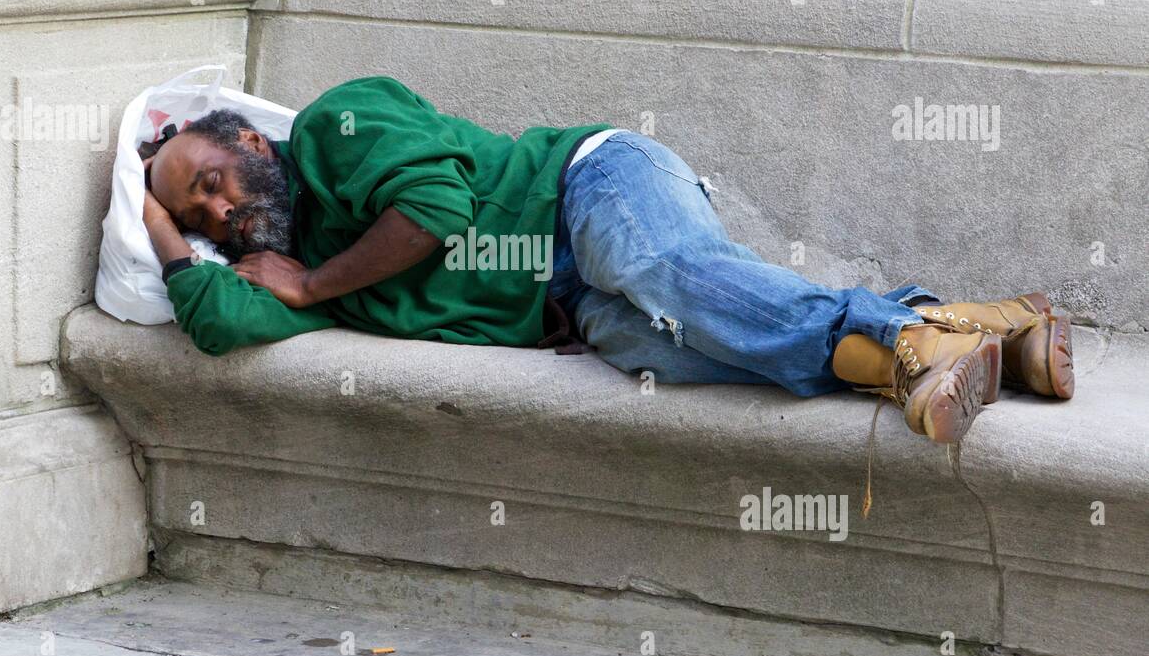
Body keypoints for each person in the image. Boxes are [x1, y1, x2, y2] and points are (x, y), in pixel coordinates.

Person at [139, 76, 1074, 445]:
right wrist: (153, 222)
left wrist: (312, 282)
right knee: (672, 349)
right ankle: (977, 334)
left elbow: (435, 209)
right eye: (202, 213)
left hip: (588, 188)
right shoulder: (284, 267)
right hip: (575, 314)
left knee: (657, 269)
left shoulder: (338, 127)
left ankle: (909, 342)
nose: (221, 209)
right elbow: (219, 323)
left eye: (215, 178)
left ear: (254, 146)